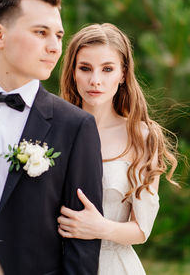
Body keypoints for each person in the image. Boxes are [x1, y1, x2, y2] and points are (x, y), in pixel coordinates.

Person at [0, 0, 103, 275]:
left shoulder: (75, 126)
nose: (55, 48)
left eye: (58, 35)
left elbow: (83, 244)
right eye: (41, 32)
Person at [59, 23, 179, 274]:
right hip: (55, 262)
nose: (95, 80)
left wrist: (100, 228)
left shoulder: (142, 136)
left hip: (114, 265)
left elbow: (142, 230)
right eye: (85, 68)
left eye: (107, 69)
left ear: (123, 74)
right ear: (72, 72)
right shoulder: (53, 130)